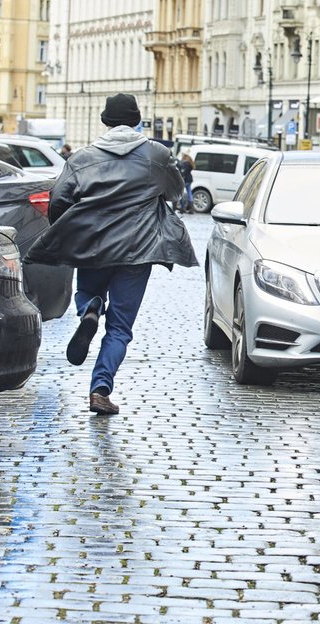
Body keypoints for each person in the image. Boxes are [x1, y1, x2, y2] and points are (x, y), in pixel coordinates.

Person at [26, 93, 198, 415]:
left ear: (104, 122)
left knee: (88, 292)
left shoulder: (82, 158)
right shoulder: (157, 154)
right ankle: (100, 390)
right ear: (137, 121)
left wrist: (71, 229)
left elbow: (59, 199)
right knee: (120, 327)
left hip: (93, 245)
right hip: (139, 248)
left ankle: (89, 309)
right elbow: (175, 192)